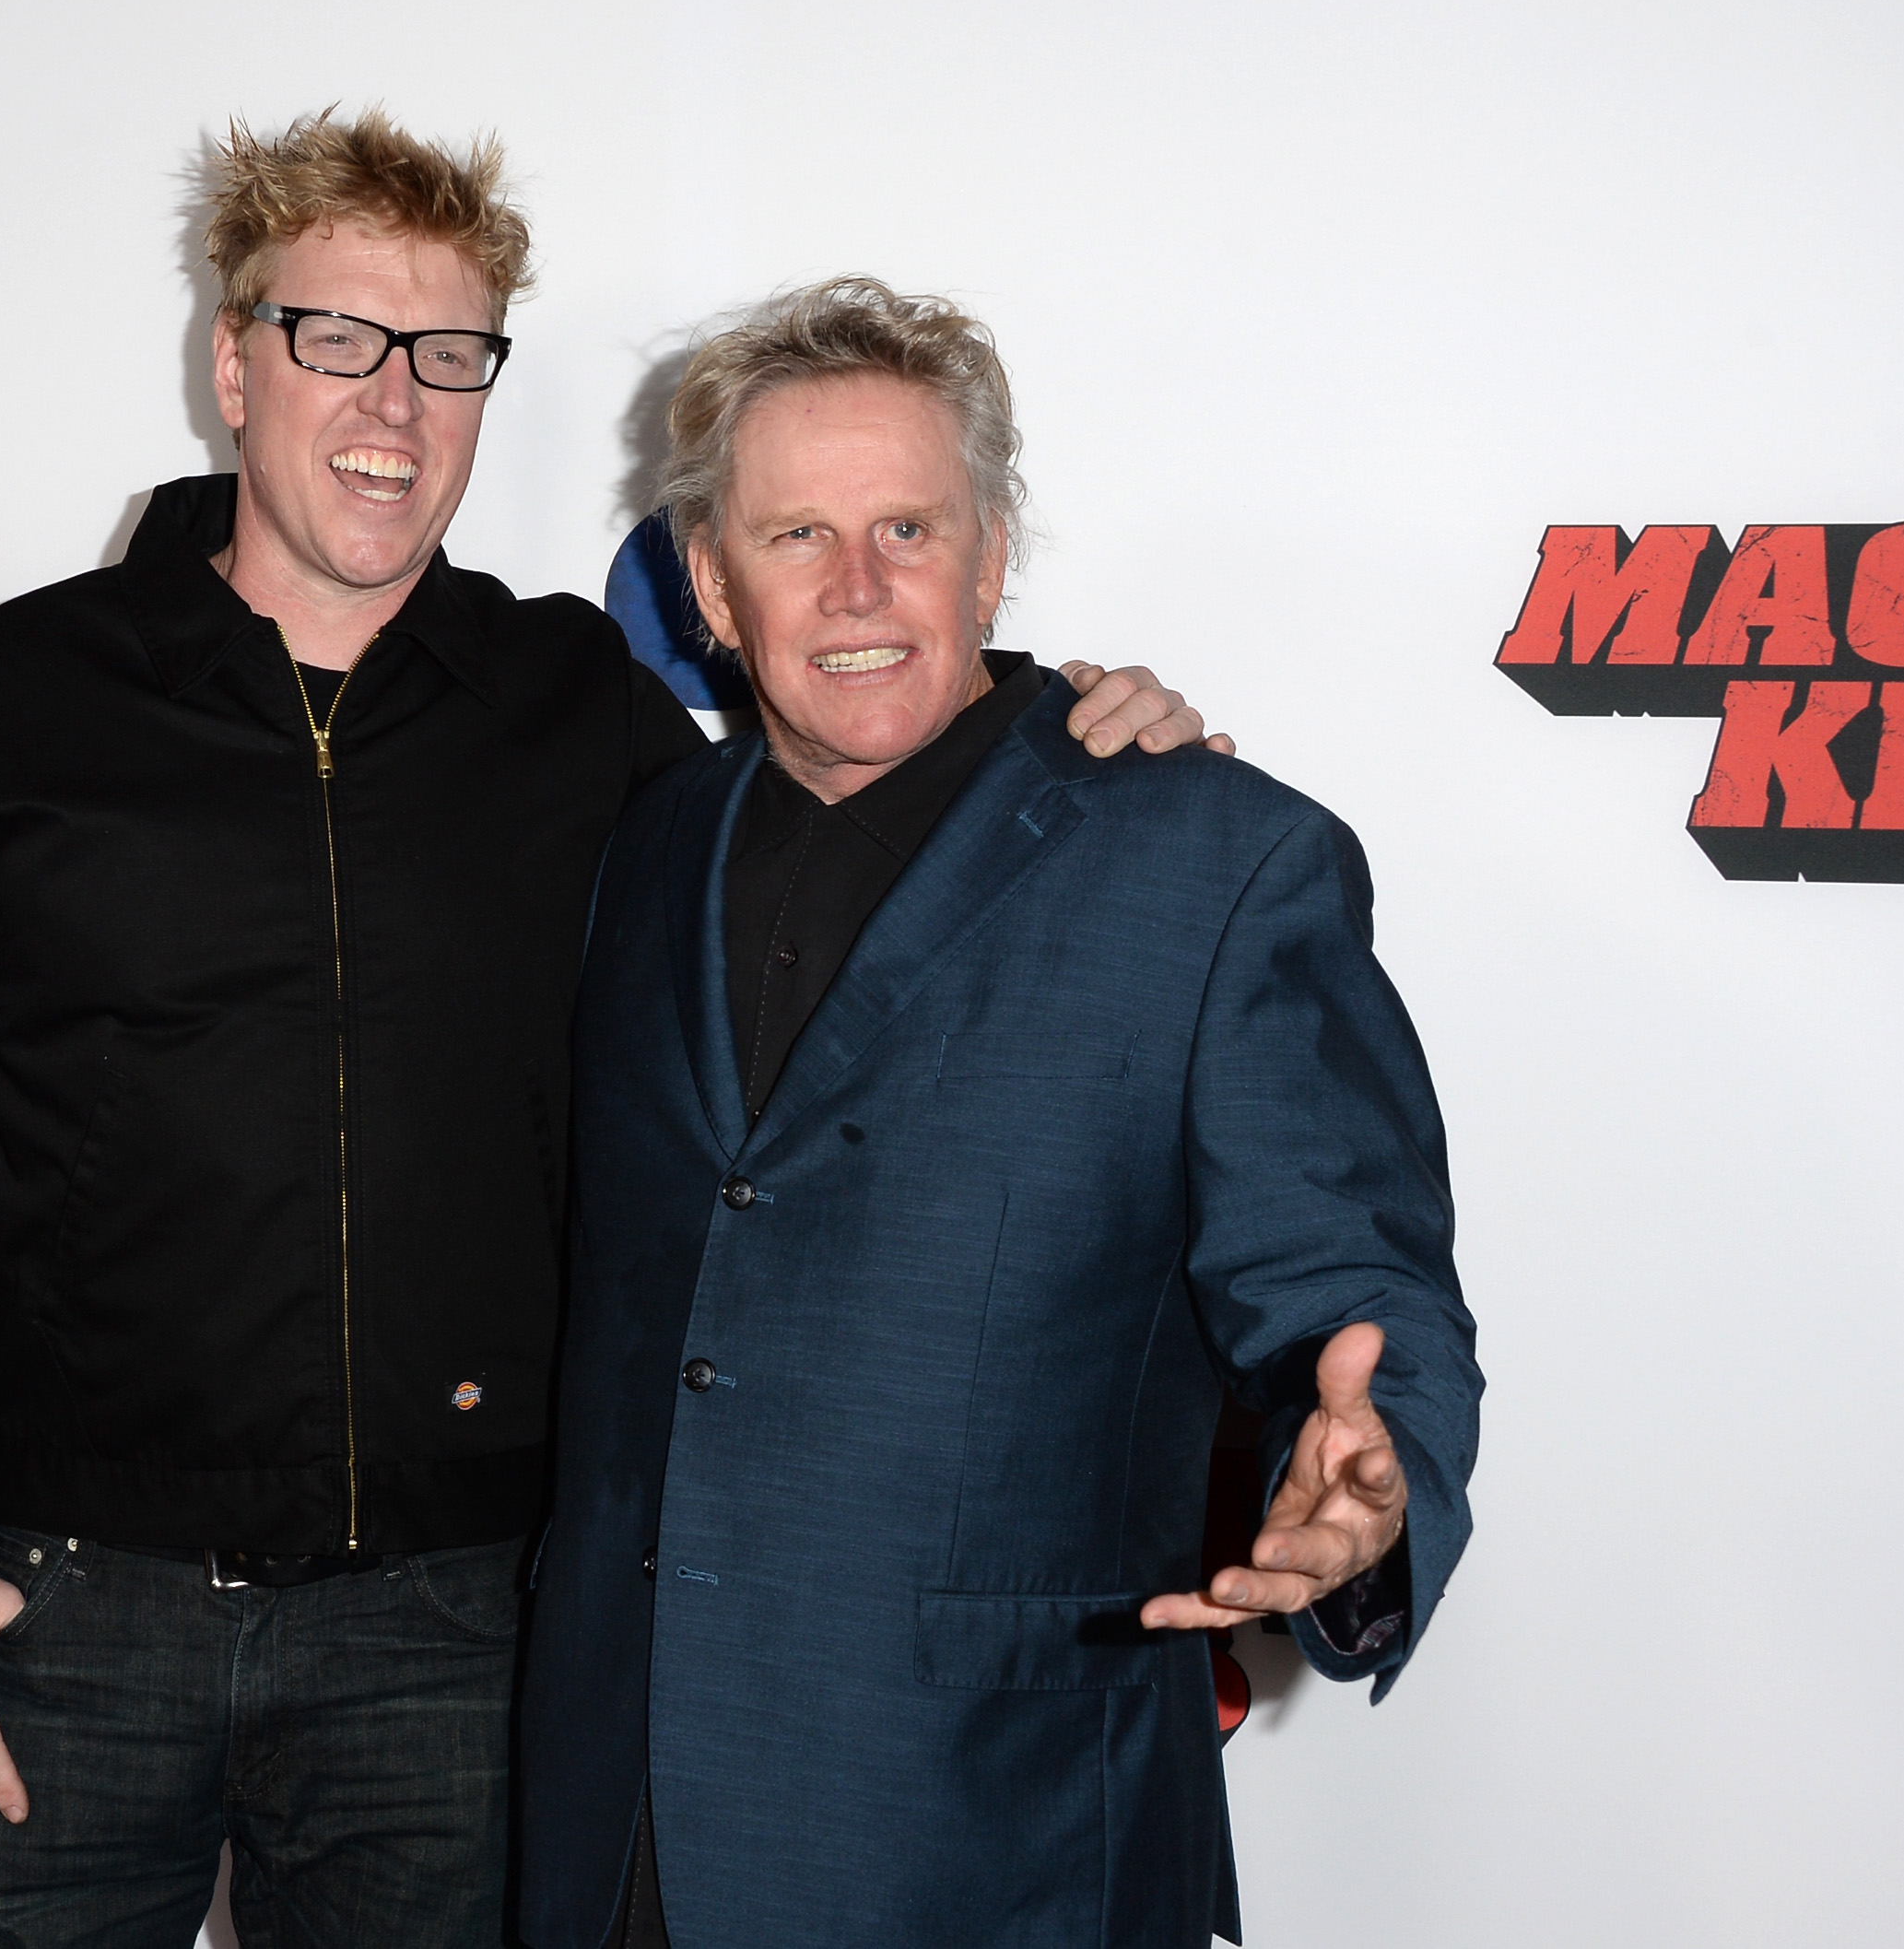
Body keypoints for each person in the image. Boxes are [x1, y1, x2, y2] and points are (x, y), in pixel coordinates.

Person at [0, 116, 1216, 1948]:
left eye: (447, 355)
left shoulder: (566, 707)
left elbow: (841, 809)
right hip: (58, 1622)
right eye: (334, 339)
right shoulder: (9, 703)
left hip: (449, 1644)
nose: (394, 403)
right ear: (230, 362)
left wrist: (1059, 735)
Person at [513, 277, 1483, 1949]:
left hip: (995, 1828)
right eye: (795, 534)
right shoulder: (643, 845)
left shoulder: (1215, 859)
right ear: (709, 588)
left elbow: (1348, 1267)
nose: (859, 586)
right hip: (622, 1826)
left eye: (908, 523)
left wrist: (1377, 1466)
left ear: (994, 546)